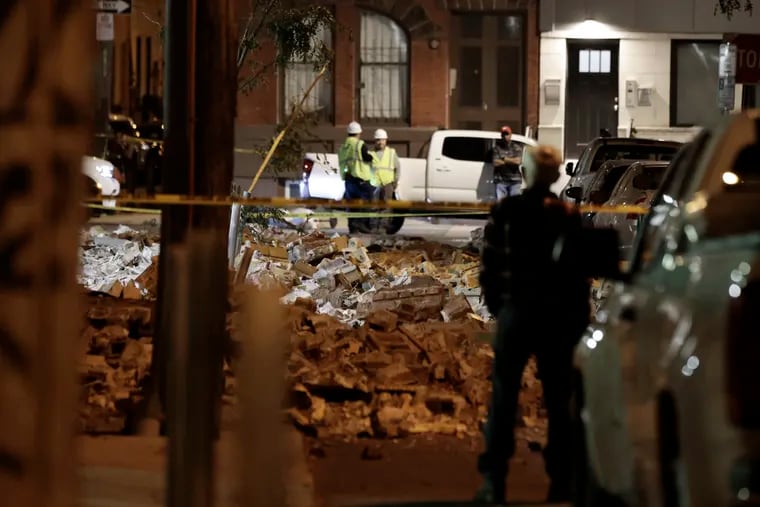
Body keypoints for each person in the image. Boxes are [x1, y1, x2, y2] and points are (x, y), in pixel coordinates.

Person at [475, 144, 591, 505]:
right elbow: (579, 275)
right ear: (556, 176)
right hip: (557, 318)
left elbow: (489, 266)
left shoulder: (507, 212)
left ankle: (495, 480)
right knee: (559, 401)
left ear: (523, 173)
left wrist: (501, 308)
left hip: (517, 312)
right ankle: (561, 480)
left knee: (504, 397)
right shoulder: (567, 215)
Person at [338, 121, 376, 233]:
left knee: (351, 203)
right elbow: (367, 157)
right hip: (361, 178)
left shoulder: (344, 146)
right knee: (366, 202)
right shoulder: (359, 144)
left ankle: (353, 226)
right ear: (359, 132)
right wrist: (372, 157)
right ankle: (362, 224)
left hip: (349, 180)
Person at [370, 129, 401, 232]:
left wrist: (395, 182)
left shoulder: (391, 153)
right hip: (374, 184)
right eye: (378, 140)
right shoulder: (371, 154)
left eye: (382, 140)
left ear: (386, 140)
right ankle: (374, 227)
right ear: (375, 141)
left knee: (386, 207)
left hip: (387, 184)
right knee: (374, 207)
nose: (380, 142)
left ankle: (383, 227)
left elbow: (397, 168)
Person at [488, 125, 523, 200]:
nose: (505, 136)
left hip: (515, 182)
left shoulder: (516, 147)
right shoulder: (497, 148)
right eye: (503, 134)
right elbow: (495, 162)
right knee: (501, 205)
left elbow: (518, 161)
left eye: (507, 134)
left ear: (511, 135)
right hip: (501, 181)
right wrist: (511, 160)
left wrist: (504, 159)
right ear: (501, 135)